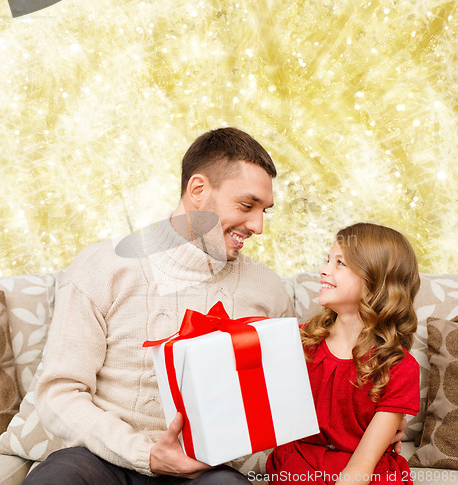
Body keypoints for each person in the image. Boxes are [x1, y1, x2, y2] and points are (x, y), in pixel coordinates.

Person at [23, 127, 296, 485]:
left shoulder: (268, 289)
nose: (258, 226)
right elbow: (59, 392)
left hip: (205, 470)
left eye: (264, 210)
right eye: (246, 205)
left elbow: (280, 401)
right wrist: (144, 454)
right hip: (102, 459)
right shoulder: (103, 266)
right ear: (198, 190)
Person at [266, 223, 420, 485]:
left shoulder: (400, 367)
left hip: (364, 473)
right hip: (301, 465)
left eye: (340, 263)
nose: (323, 269)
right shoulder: (298, 341)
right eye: (328, 260)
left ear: (376, 281)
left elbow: (362, 464)